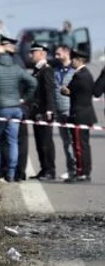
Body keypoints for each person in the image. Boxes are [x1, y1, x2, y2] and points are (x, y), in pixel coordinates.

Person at [0, 44, 37, 182]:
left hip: (0, 109)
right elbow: (33, 82)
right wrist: (25, 98)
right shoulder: (16, 68)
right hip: (16, 108)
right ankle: (11, 174)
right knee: (13, 142)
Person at [60, 49, 97, 182]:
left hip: (79, 114)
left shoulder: (81, 76)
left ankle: (82, 172)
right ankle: (84, 171)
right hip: (83, 113)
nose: (72, 61)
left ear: (79, 60)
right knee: (83, 144)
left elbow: (68, 90)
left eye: (73, 59)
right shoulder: (85, 74)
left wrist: (64, 89)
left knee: (79, 145)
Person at [0, 34, 30, 181]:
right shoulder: (16, 60)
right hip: (19, 106)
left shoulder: (13, 62)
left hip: (15, 107)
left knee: (14, 141)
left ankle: (16, 172)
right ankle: (19, 172)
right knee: (18, 141)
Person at [28, 42, 57, 181]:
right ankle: (44, 168)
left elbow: (49, 91)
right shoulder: (37, 70)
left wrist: (50, 110)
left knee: (46, 143)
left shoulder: (46, 70)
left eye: (33, 52)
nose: (31, 55)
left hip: (44, 112)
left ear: (42, 54)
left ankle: (50, 170)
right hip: (37, 112)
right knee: (39, 143)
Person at [54, 45, 77, 179]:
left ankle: (77, 169)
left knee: (74, 142)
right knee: (66, 142)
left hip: (70, 110)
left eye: (58, 54)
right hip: (59, 110)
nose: (56, 57)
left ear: (67, 53)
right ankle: (70, 169)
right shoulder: (56, 70)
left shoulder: (74, 71)